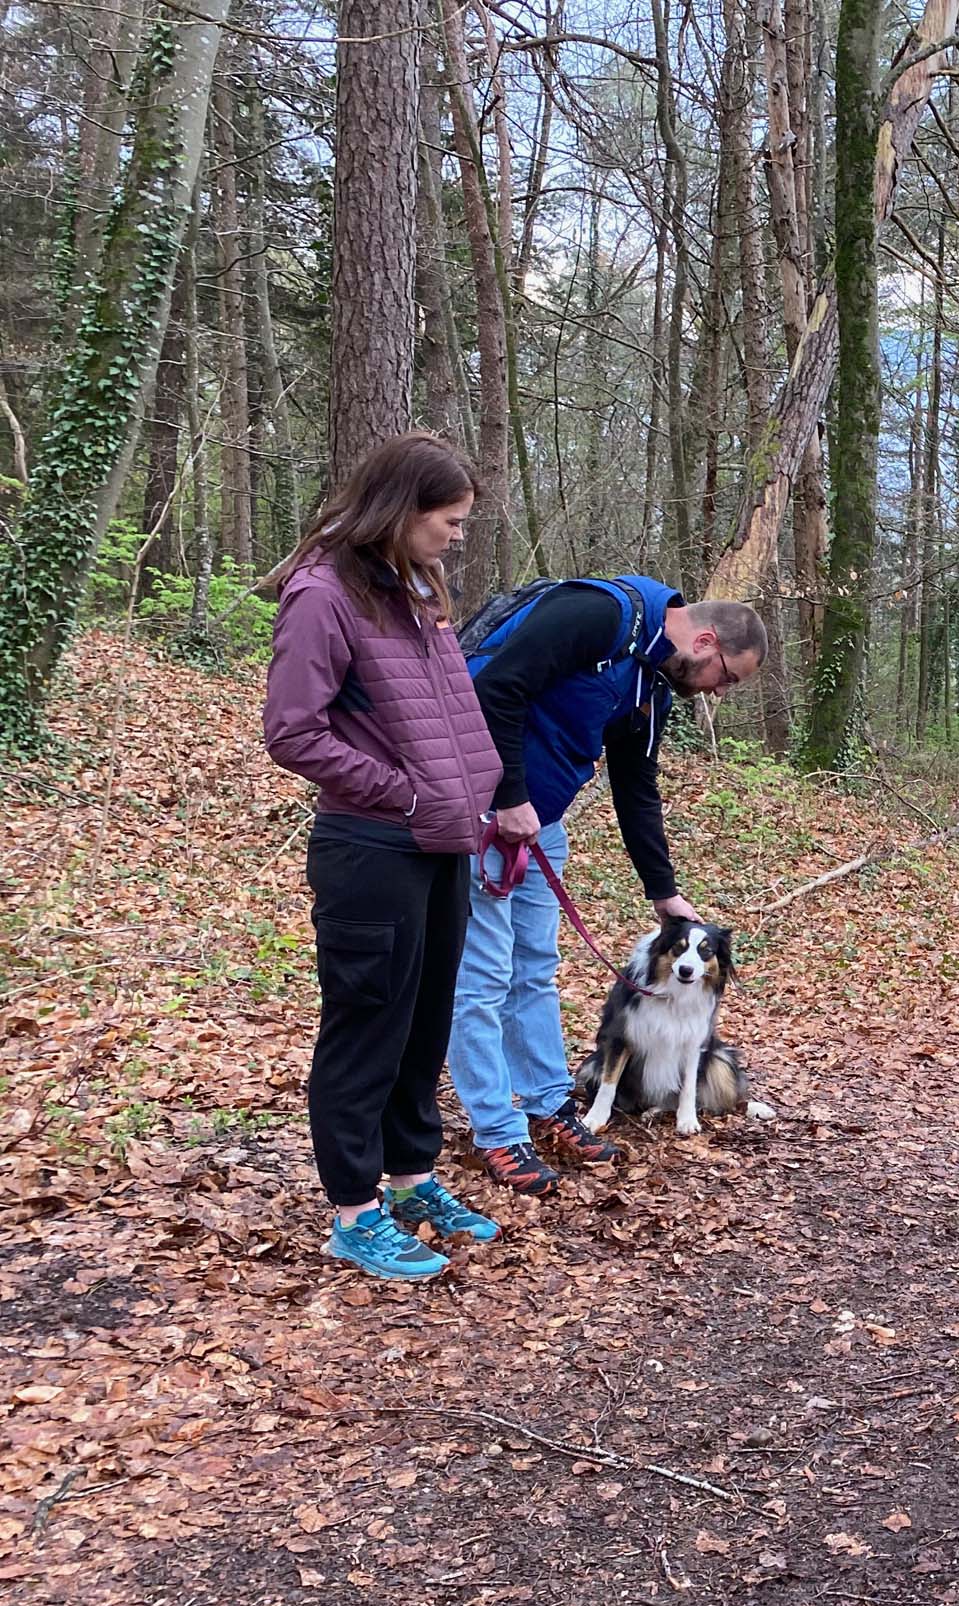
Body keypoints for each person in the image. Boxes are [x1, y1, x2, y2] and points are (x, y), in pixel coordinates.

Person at [261, 432, 506, 1279]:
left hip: (442, 844)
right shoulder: (323, 595)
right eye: (449, 519)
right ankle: (353, 1211)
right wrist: (403, 794)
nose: (459, 535)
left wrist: (468, 803)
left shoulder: (412, 588)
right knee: (366, 1026)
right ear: (402, 510)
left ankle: (411, 1180)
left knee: (423, 1022)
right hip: (371, 847)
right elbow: (293, 731)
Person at [451, 572, 766, 1193]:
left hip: (541, 826)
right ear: (705, 641)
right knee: (483, 976)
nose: (720, 693)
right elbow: (495, 687)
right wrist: (510, 796)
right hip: (482, 812)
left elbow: (635, 787)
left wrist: (663, 891)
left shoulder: (652, 688)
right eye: (727, 678)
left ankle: (548, 1106)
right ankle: (496, 1129)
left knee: (535, 968)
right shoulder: (599, 616)